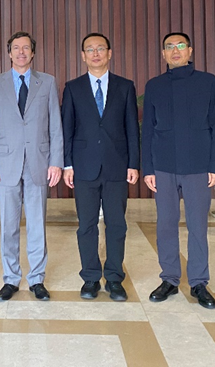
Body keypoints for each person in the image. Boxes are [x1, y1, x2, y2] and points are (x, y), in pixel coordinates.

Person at [142, 32, 215, 309]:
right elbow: (148, 129)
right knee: (165, 225)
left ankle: (199, 281)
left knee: (197, 226)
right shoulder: (154, 85)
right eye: (169, 47)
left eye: (180, 46)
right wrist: (148, 168)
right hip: (163, 167)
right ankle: (169, 278)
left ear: (190, 51)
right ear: (163, 54)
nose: (175, 51)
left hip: (198, 166)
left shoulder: (208, 82)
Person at [0, 31, 63, 301]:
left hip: (39, 162)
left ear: (33, 52)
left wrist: (56, 162)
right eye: (16, 48)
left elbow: (55, 125)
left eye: (26, 48)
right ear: (9, 53)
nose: (21, 52)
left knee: (37, 224)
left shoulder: (47, 82)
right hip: (5, 164)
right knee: (8, 225)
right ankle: (11, 278)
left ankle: (37, 279)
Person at [61, 32, 140, 301]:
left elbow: (132, 128)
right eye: (90, 49)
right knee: (87, 225)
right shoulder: (73, 88)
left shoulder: (125, 86)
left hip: (117, 166)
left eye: (100, 49)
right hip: (84, 167)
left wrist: (133, 163)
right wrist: (67, 164)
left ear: (109, 53)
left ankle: (115, 278)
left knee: (117, 224)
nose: (95, 53)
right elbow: (67, 129)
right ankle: (91, 277)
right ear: (83, 56)